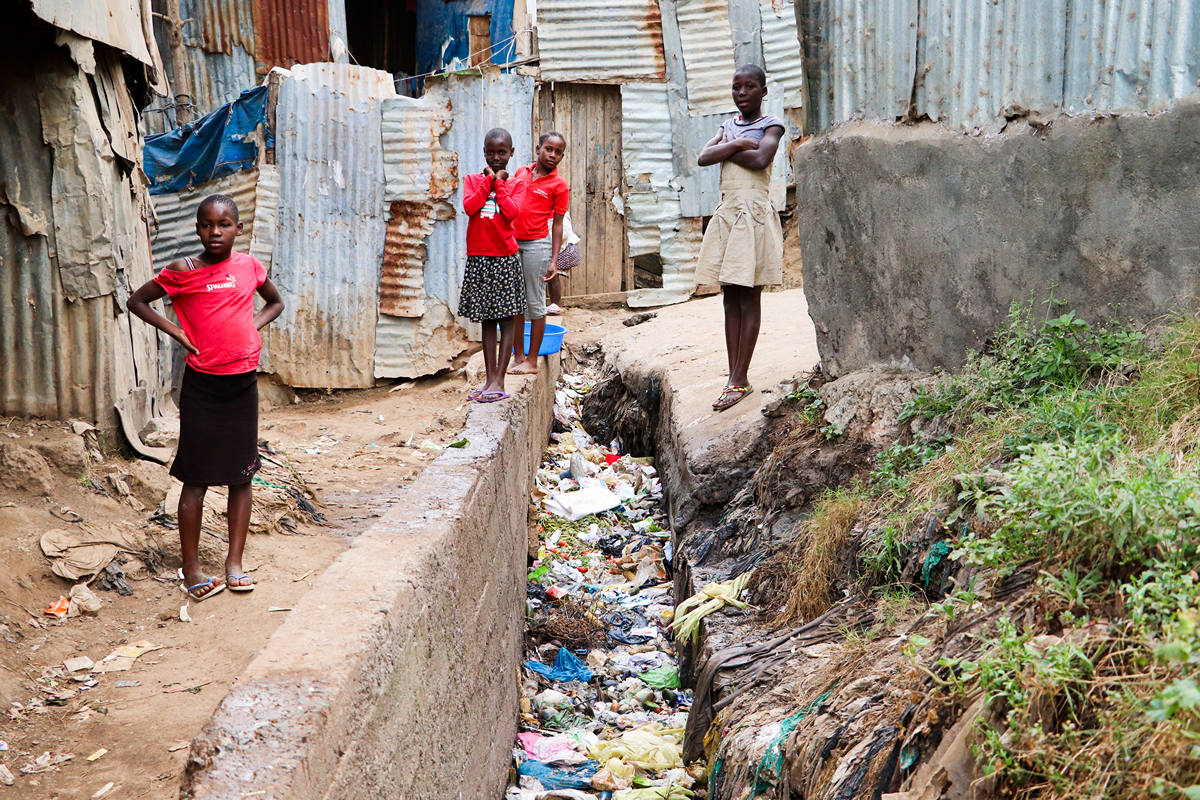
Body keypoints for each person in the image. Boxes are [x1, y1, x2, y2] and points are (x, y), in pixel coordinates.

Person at [127, 195, 284, 600]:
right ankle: (192, 567)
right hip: (202, 386)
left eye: (224, 224)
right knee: (195, 478)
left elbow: (276, 302)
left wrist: (253, 326)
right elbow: (137, 301)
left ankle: (235, 563)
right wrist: (176, 332)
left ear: (238, 228)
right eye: (207, 225)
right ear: (197, 229)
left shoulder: (249, 266)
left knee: (241, 475)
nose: (215, 232)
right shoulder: (183, 269)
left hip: (242, 384)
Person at [695, 64, 785, 412]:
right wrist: (734, 143)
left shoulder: (771, 124)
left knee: (749, 295)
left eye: (749, 87)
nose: (742, 93)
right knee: (729, 297)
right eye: (736, 87)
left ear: (763, 91)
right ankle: (735, 378)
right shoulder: (728, 127)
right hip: (730, 215)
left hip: (754, 217)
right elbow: (704, 157)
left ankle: (739, 378)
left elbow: (762, 158)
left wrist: (727, 148)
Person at [458, 127, 527, 402]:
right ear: (484, 152)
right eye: (491, 152)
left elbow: (511, 213)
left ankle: (500, 379)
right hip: (479, 257)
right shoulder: (473, 180)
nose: (496, 157)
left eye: (502, 152)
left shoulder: (516, 184)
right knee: (487, 319)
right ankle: (489, 380)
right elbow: (470, 207)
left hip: (504, 258)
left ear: (511, 153)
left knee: (507, 318)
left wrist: (499, 183)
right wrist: (489, 182)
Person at [509, 131, 570, 374]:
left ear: (562, 156)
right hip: (512, 243)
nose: (552, 155)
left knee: (535, 302)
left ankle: (532, 361)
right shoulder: (521, 173)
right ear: (538, 148)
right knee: (514, 302)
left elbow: (557, 224)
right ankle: (518, 356)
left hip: (537, 245)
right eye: (548, 149)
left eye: (558, 152)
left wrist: (554, 259)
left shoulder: (559, 185)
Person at [545, 210, 581, 315]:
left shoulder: (560, 216)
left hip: (556, 246)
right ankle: (554, 304)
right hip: (553, 241)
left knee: (553, 276)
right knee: (551, 277)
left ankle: (556, 303)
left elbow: (563, 233)